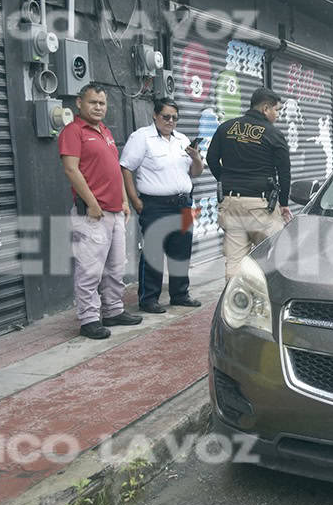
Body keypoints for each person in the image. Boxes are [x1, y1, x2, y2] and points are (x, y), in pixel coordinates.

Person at [58, 83, 142, 339]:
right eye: (93, 102)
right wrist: (93, 203)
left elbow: (115, 169)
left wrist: (125, 200)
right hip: (92, 214)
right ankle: (88, 319)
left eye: (102, 103)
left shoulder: (104, 131)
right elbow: (71, 170)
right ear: (79, 103)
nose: (98, 107)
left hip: (115, 211)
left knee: (116, 267)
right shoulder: (74, 131)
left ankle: (114, 310)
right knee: (90, 269)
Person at [120, 98, 205, 314]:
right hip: (155, 204)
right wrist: (135, 200)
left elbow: (195, 173)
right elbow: (126, 168)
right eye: (166, 116)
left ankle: (180, 294)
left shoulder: (181, 139)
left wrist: (196, 159)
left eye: (175, 118)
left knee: (181, 250)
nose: (170, 121)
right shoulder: (142, 138)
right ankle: (148, 299)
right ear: (155, 115)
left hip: (184, 202)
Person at [206, 87, 293, 280]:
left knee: (235, 262)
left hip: (231, 203)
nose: (277, 115)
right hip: (260, 207)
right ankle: (269, 306)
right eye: (276, 110)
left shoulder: (225, 128)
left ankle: (236, 305)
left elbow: (211, 159)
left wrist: (225, 179)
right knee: (273, 260)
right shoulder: (273, 134)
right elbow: (284, 173)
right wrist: (284, 203)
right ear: (265, 108)